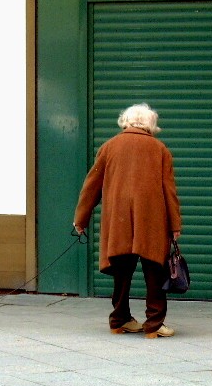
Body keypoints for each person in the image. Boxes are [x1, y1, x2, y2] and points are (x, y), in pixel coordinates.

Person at [73, 103, 182, 338]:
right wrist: (175, 225)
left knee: (121, 271)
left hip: (118, 221)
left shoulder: (109, 147)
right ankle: (153, 325)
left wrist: (80, 219)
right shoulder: (159, 149)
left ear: (126, 121)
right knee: (155, 270)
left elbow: (91, 186)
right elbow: (169, 191)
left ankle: (119, 319)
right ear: (150, 124)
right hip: (151, 220)